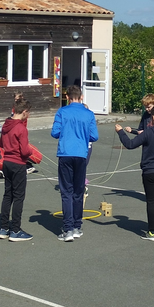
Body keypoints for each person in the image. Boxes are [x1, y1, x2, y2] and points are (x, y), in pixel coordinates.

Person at [115, 105, 154, 241]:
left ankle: (152, 231)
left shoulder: (148, 133)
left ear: (153, 118)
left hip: (150, 171)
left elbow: (130, 144)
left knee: (151, 201)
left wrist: (120, 132)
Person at [51, 84, 99, 241]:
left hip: (66, 153)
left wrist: (67, 132)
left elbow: (55, 132)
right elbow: (94, 136)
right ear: (81, 97)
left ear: (67, 97)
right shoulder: (88, 114)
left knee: (66, 191)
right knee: (78, 191)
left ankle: (68, 229)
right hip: (80, 153)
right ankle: (77, 226)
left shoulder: (62, 112)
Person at [0, 99, 33, 242]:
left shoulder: (6, 125)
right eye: (28, 113)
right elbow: (24, 151)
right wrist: (30, 151)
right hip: (18, 163)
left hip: (6, 162)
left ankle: (4, 227)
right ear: (24, 112)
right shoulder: (21, 128)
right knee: (18, 197)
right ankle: (15, 230)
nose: (28, 116)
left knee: (8, 195)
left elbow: (1, 143)